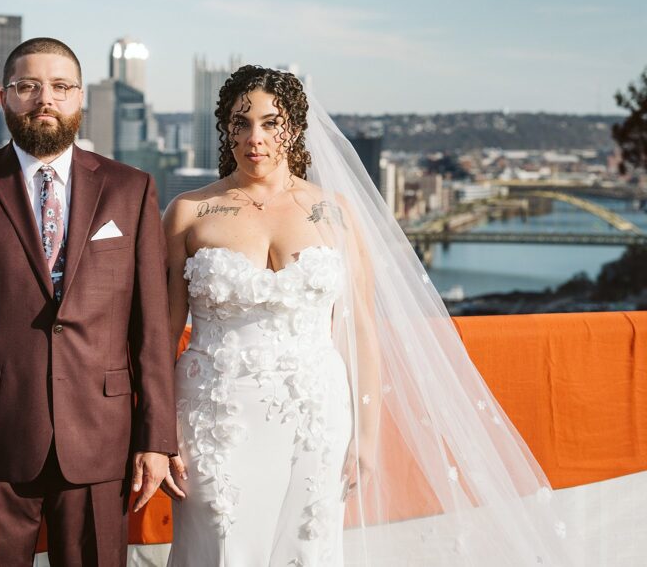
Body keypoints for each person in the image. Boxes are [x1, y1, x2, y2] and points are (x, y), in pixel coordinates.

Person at [161, 66, 572, 566]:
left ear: (295, 128)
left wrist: (367, 435)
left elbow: (360, 327)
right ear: (225, 129)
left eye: (272, 123)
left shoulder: (335, 213)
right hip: (212, 418)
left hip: (315, 419)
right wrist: (158, 437)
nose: (256, 138)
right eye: (240, 123)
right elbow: (161, 336)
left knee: (306, 550)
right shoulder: (188, 212)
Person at [0, 37, 180, 567]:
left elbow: (151, 329)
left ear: (80, 97)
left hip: (102, 441)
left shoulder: (132, 190)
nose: (45, 99)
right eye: (28, 87)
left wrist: (157, 438)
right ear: (3, 97)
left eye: (60, 87)